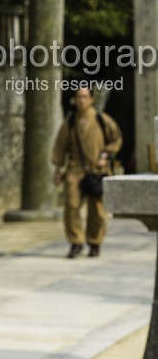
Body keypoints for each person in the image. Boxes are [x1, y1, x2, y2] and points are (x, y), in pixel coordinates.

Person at [52, 85, 122, 258]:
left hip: (97, 170)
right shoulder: (70, 122)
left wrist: (105, 154)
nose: (82, 100)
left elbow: (116, 139)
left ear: (91, 99)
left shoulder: (101, 119)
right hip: (75, 169)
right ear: (75, 100)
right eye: (78, 97)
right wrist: (58, 169)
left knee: (98, 210)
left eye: (85, 97)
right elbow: (60, 147)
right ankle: (76, 241)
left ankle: (95, 241)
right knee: (72, 206)